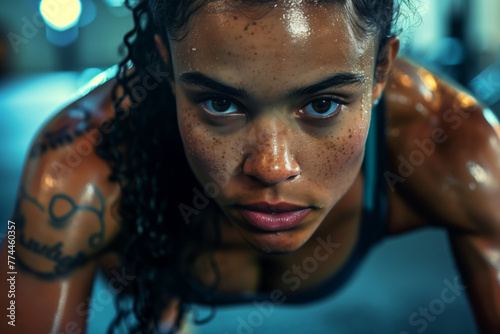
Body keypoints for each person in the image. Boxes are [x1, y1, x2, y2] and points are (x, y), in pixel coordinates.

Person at [1, 0, 499, 333]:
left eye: (322, 105)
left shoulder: (457, 148)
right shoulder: (74, 167)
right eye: (220, 104)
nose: (272, 167)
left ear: (380, 72)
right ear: (167, 67)